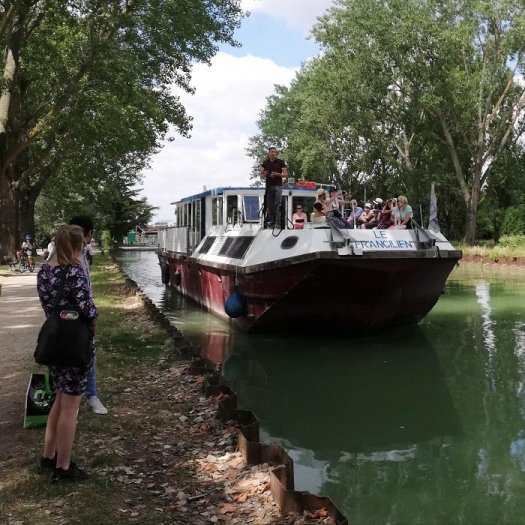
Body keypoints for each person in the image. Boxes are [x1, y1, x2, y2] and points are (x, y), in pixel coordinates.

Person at [37, 224, 98, 482]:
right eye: (82, 246)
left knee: (60, 398)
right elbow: (87, 308)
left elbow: (47, 305)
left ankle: (48, 455)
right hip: (74, 344)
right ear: (75, 246)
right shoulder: (74, 272)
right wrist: (94, 320)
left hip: (55, 342)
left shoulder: (44, 272)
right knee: (71, 406)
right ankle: (63, 468)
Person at [69, 215, 108, 415]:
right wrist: (91, 316)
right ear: (89, 233)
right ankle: (84, 397)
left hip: (77, 313)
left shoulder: (82, 253)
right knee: (82, 355)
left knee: (86, 354)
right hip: (75, 316)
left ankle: (89, 395)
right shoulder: (71, 256)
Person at [259, 147, 288, 227]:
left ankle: (277, 223)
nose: (273, 153)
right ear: (268, 153)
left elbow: (286, 174)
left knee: (277, 204)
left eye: (275, 152)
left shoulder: (280, 162)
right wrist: (266, 174)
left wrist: (276, 174)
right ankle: (271, 222)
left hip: (278, 186)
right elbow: (261, 176)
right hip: (269, 186)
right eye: (272, 152)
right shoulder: (265, 163)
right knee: (269, 205)